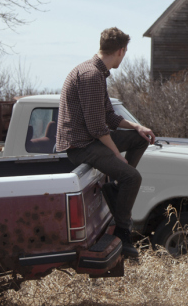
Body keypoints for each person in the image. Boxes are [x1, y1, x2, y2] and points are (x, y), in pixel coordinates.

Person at [55, 27, 155, 258]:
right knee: (133, 176)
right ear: (121, 51)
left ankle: (117, 189)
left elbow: (109, 116)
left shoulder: (97, 73)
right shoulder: (90, 75)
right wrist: (118, 157)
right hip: (81, 145)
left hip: (91, 139)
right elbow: (97, 127)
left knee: (140, 140)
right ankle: (123, 233)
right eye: (126, 51)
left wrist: (137, 127)